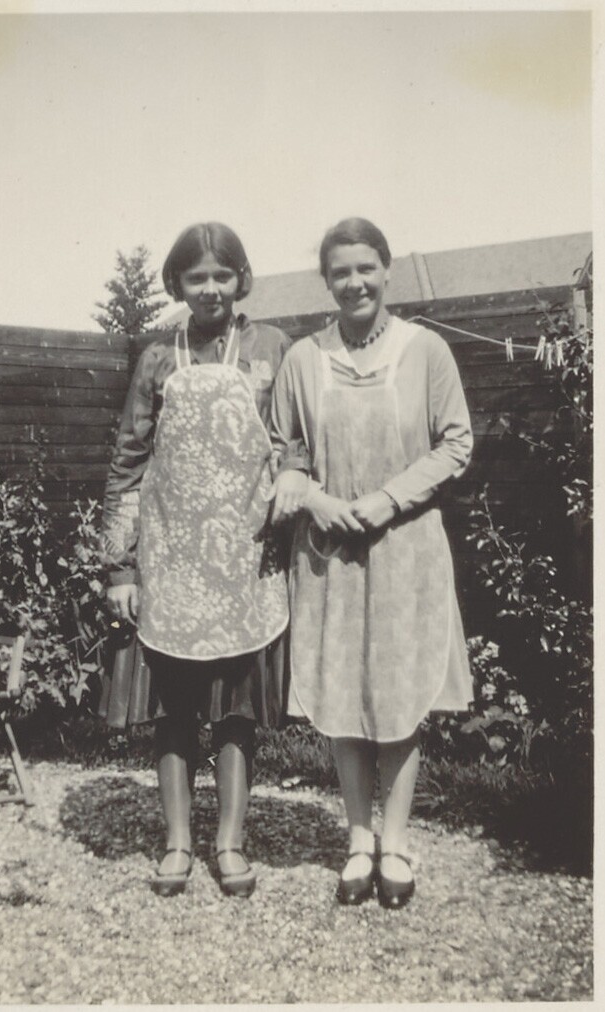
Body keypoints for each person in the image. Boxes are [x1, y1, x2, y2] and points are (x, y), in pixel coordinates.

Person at [270, 217, 474, 909]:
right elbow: (283, 450)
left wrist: (388, 499)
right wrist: (315, 500)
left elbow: (455, 444)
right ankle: (358, 841)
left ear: (386, 270)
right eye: (340, 272)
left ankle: (396, 844)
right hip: (330, 552)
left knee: (400, 693)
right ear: (325, 281)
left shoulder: (425, 350)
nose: (354, 282)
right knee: (341, 692)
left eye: (365, 268)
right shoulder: (304, 359)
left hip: (405, 546)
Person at [99, 222, 305, 898]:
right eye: (197, 277)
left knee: (236, 711)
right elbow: (127, 465)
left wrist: (291, 478)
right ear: (177, 284)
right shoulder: (159, 358)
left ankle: (230, 843)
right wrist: (120, 568)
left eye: (222, 275)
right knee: (176, 709)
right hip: (172, 564)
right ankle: (178, 842)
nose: (211, 288)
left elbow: (296, 440)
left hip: (245, 560)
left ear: (241, 279)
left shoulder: (273, 348)